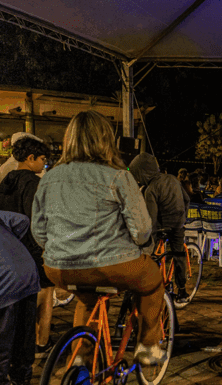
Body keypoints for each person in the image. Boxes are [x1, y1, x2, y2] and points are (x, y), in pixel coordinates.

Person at [31, 110, 165, 365]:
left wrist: (61, 250)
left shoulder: (50, 178)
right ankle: (149, 347)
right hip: (109, 266)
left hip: (59, 269)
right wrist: (139, 245)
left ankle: (80, 361)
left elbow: (38, 231)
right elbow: (141, 230)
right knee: (153, 282)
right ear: (106, 139)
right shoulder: (117, 175)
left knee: (88, 300)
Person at [0, 136, 55, 357]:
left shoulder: (6, 180)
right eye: (42, 159)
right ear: (31, 158)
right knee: (45, 292)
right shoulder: (33, 183)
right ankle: (42, 342)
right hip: (31, 248)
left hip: (9, 248)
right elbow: (36, 220)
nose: (44, 165)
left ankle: (19, 341)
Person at [129, 152, 192, 304]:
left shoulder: (151, 189)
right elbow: (187, 199)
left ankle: (151, 283)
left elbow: (152, 218)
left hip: (163, 226)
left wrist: (147, 240)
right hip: (178, 224)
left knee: (152, 254)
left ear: (143, 173)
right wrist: (184, 216)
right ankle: (182, 290)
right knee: (179, 254)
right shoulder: (173, 179)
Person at [0, 210, 40, 385]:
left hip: (4, 278)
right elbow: (22, 220)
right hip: (26, 269)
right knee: (24, 331)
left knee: (2, 338)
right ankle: (21, 381)